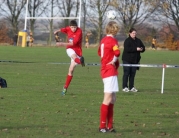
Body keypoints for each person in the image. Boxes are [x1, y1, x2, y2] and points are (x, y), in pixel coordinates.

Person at [98, 21, 120, 133]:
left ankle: (110, 126)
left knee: (112, 99)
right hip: (109, 71)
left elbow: (99, 53)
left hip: (105, 70)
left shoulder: (103, 40)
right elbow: (117, 52)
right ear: (115, 30)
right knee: (107, 99)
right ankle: (102, 126)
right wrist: (113, 60)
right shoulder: (113, 40)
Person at [54, 20, 85, 95]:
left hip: (77, 51)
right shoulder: (68, 28)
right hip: (70, 49)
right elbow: (63, 29)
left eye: (75, 27)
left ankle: (65, 89)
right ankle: (79, 61)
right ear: (70, 26)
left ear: (77, 27)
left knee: (71, 70)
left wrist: (61, 44)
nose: (73, 29)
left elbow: (73, 43)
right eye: (72, 27)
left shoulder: (79, 32)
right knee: (72, 54)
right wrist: (56, 31)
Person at [122, 28, 145, 92]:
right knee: (126, 73)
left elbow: (143, 48)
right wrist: (136, 49)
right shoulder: (127, 40)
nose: (134, 34)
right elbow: (127, 49)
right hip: (127, 59)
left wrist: (141, 49)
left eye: (135, 33)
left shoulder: (138, 40)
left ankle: (131, 87)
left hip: (135, 60)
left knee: (133, 74)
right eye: (133, 33)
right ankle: (125, 87)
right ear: (130, 33)